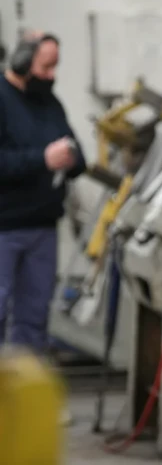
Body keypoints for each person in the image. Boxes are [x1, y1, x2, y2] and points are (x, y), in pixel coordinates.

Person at [0, 31, 85, 354]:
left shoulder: (49, 103)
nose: (52, 76)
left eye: (55, 67)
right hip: (4, 230)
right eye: (46, 67)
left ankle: (22, 400)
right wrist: (42, 159)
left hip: (42, 229)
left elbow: (77, 153)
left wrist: (71, 157)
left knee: (33, 319)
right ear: (22, 63)